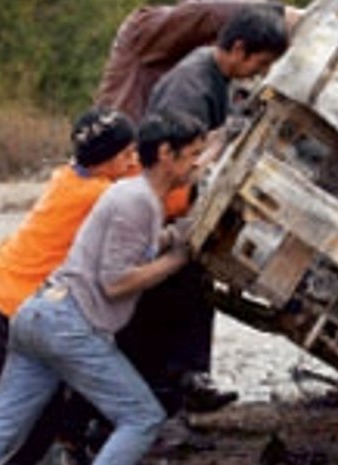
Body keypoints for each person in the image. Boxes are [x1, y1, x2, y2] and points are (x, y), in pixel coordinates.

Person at [0, 110, 206, 465]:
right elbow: (115, 283)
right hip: (67, 325)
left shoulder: (130, 194)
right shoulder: (137, 200)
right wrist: (179, 259)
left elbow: (130, 247)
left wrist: (172, 237)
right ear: (165, 154)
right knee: (142, 417)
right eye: (193, 155)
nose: (198, 165)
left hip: (39, 315)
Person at [0, 107, 138, 462]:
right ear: (104, 160)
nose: (133, 161)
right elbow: (161, 197)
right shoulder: (99, 197)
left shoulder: (67, 178)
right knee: (33, 423)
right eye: (127, 154)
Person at [116, 4, 290, 415]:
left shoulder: (212, 73)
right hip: (165, 202)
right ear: (239, 49)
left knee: (185, 288)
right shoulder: (191, 87)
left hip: (171, 199)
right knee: (165, 296)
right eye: (260, 63)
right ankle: (166, 388)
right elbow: (177, 158)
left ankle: (180, 383)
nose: (259, 72)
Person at [96, 0, 302, 123]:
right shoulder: (144, 31)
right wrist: (279, 14)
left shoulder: (206, 58)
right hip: (123, 154)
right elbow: (206, 12)